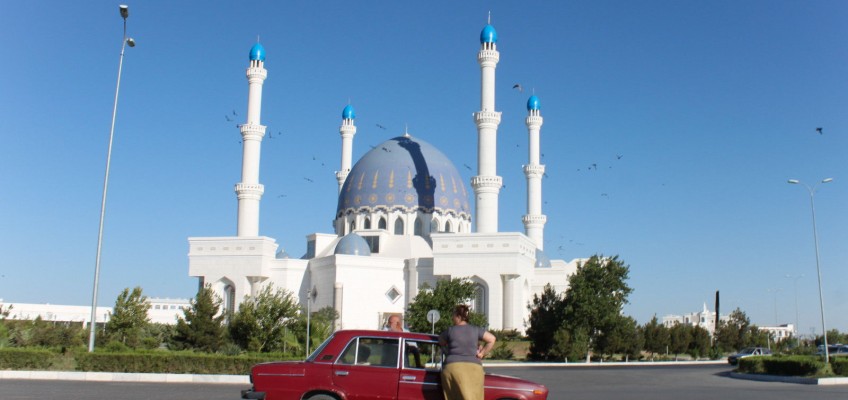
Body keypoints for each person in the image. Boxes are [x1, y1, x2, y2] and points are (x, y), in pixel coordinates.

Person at [438, 304, 496, 400]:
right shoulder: (475, 330)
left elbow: (441, 341)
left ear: (458, 316)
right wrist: (481, 353)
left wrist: (447, 349)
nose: (452, 318)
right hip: (474, 368)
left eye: (453, 315)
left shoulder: (450, 330)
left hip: (452, 367)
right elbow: (492, 339)